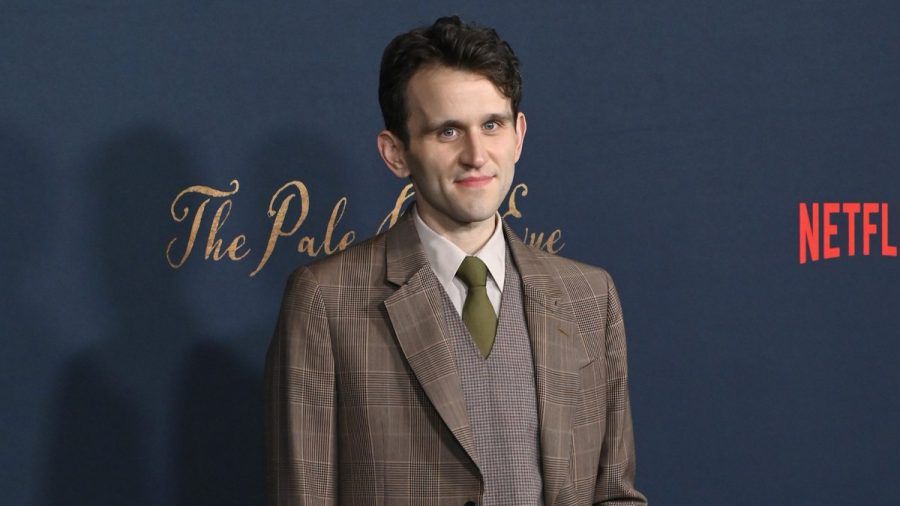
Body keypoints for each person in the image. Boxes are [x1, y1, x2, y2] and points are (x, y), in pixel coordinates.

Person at [265, 15, 647, 505]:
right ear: (396, 153)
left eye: (492, 125)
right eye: (447, 131)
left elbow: (614, 493)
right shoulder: (325, 300)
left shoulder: (589, 297)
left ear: (519, 136)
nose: (476, 154)